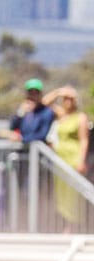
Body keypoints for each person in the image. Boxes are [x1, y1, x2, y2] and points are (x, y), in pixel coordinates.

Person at [9, 78, 57, 229]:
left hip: (40, 162)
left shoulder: (47, 113)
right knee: (20, 194)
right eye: (30, 93)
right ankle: (20, 224)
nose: (32, 96)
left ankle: (42, 226)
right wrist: (20, 113)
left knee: (40, 195)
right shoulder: (24, 112)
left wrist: (22, 138)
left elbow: (41, 135)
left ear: (40, 94)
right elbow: (12, 126)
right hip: (23, 160)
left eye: (36, 93)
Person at [43, 85, 90, 232]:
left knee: (73, 195)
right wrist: (59, 91)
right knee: (61, 194)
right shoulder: (61, 115)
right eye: (65, 99)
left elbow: (84, 140)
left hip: (74, 158)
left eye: (70, 98)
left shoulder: (81, 117)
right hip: (60, 159)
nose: (68, 101)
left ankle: (71, 227)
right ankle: (64, 225)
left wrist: (81, 160)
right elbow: (44, 102)